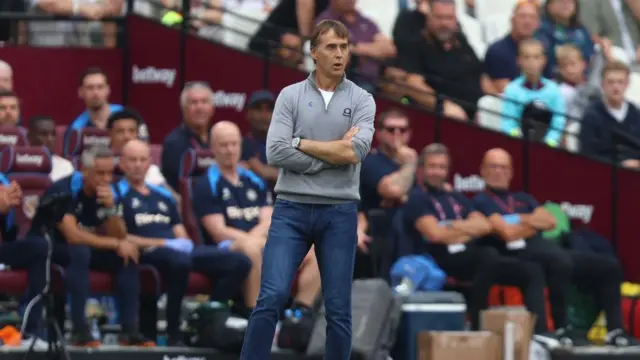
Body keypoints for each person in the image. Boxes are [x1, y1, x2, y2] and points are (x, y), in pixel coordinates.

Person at [239, 19, 375, 360]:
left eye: (344, 47)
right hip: (292, 208)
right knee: (270, 297)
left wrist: (302, 143)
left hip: (339, 212)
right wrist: (332, 155)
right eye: (331, 47)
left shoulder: (363, 100)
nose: (339, 54)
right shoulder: (289, 96)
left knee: (339, 309)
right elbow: (276, 152)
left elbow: (355, 152)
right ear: (313, 52)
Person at [473, 148, 638, 347]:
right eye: (493, 166)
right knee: (559, 261)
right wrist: (531, 222)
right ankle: (561, 327)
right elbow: (506, 233)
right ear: (482, 171)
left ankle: (615, 331)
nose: (498, 171)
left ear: (511, 172)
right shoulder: (480, 201)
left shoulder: (523, 198)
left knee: (609, 265)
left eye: (503, 167)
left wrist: (518, 222)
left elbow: (550, 221)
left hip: (545, 248)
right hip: (515, 256)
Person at [117, 139, 251, 345]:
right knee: (180, 262)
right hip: (148, 251)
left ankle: (209, 314)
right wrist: (163, 243)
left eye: (142, 159)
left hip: (178, 249)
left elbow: (181, 233)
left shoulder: (163, 195)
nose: (137, 164)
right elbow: (120, 236)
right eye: (132, 160)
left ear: (149, 163)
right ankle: (173, 330)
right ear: (122, 163)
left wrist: (183, 242)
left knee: (239, 261)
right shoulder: (116, 193)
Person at [403, 143, 549, 334]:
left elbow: (485, 226)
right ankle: (477, 327)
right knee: (487, 255)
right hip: (438, 259)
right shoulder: (417, 198)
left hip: (470, 256)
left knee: (531, 271)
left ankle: (540, 335)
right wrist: (466, 229)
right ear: (421, 170)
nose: (437, 172)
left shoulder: (455, 196)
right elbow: (434, 234)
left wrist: (452, 225)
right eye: (433, 166)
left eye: (442, 167)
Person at [28, 147, 152, 347]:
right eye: (100, 173)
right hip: (49, 248)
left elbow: (119, 235)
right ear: (84, 171)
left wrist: (111, 209)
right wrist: (116, 243)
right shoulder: (65, 189)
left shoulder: (110, 192)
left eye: (110, 173)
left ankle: (130, 331)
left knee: (128, 256)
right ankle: (79, 330)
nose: (106, 179)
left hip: (85, 248)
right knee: (80, 252)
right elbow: (73, 235)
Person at [194, 121, 321, 316]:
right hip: (226, 246)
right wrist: (254, 241)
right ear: (212, 147)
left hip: (259, 240)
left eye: (234, 144)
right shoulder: (206, 183)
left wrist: (257, 239)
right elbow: (219, 232)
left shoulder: (254, 180)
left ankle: (299, 314)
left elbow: (269, 220)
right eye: (223, 145)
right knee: (252, 248)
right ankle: (256, 313)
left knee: (314, 250)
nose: (230, 150)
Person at [398, 0, 480, 120]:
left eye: (449, 18)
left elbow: (480, 74)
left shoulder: (461, 43)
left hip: (477, 113)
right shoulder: (416, 44)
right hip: (440, 117)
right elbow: (413, 83)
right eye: (439, 17)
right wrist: (443, 105)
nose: (444, 23)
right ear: (429, 17)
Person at [0, 177, 49, 346]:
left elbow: (8, 235)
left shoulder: (3, 180)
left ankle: (31, 333)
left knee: (41, 247)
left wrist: (6, 211)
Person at [64, 67, 149, 156]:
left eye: (100, 87)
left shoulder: (129, 116)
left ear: (108, 89)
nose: (95, 92)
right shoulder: (76, 127)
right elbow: (70, 161)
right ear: (81, 92)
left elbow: (145, 147)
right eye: (90, 88)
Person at [501, 39, 566, 147]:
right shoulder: (512, 89)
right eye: (526, 57)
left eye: (536, 57)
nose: (531, 62)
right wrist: (520, 140)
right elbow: (508, 122)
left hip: (548, 147)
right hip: (518, 145)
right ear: (519, 60)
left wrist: (549, 142)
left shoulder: (553, 90)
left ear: (543, 60)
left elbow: (559, 121)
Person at [580, 60, 640, 169]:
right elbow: (588, 154)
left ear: (627, 84)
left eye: (620, 82)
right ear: (603, 84)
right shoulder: (592, 115)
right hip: (604, 174)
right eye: (611, 82)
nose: (615, 87)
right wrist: (620, 166)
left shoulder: (636, 114)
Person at [161, 81, 214, 190]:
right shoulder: (173, 143)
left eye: (204, 102)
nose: (199, 107)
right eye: (194, 102)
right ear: (184, 108)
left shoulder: (219, 138)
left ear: (212, 108)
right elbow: (176, 185)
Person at [483, 0, 540, 94]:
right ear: (512, 20)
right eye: (522, 16)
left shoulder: (542, 48)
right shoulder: (497, 51)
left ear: (538, 24)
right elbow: (508, 93)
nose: (527, 21)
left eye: (532, 17)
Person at [107, 108, 166, 186]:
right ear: (110, 134)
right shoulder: (100, 166)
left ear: (138, 134)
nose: (126, 136)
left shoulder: (151, 172)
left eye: (131, 131)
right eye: (120, 131)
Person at [241, 90, 278, 187]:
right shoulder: (239, 145)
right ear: (248, 113)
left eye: (269, 109)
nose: (264, 115)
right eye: (258, 109)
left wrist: (267, 171)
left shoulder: (288, 143)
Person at [26, 115, 74, 182]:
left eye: (53, 134)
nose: (50, 139)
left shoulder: (66, 166)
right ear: (29, 137)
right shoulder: (21, 165)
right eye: (43, 134)